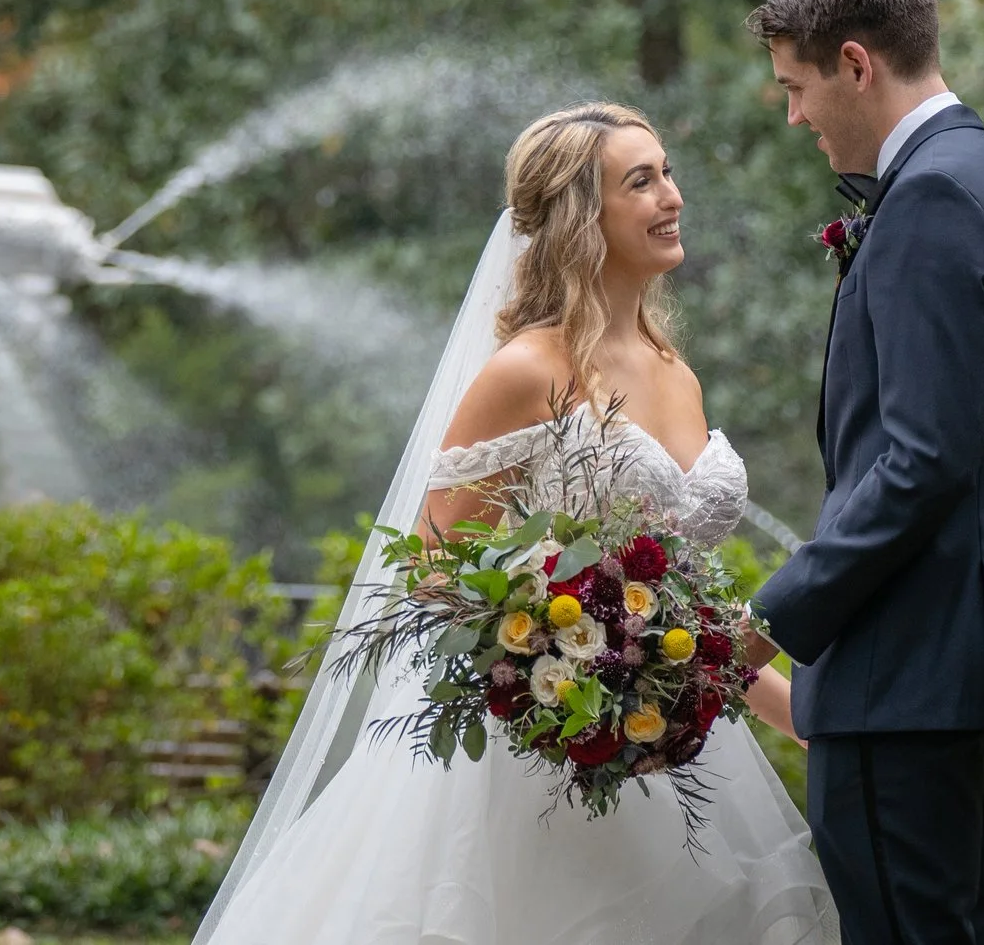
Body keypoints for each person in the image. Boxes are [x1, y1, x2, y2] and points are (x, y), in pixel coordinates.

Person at [195, 104, 837, 945]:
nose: (672, 196)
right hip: (534, 767)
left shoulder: (675, 371)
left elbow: (679, 610)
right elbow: (432, 571)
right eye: (640, 181)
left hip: (665, 748)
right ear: (580, 218)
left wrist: (797, 712)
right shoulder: (526, 371)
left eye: (668, 171)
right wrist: (566, 661)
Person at [745, 0, 984, 945]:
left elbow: (920, 458)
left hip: (907, 679)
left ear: (855, 63)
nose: (795, 115)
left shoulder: (932, 199)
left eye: (795, 86)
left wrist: (770, 616)